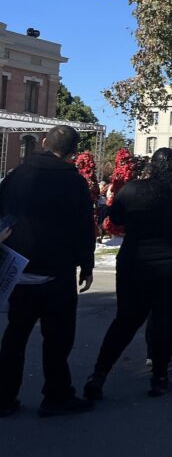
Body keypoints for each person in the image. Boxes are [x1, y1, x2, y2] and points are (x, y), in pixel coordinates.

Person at [84, 148, 172, 400]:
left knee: (125, 321)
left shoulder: (133, 190)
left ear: (151, 166)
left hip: (137, 263)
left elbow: (115, 216)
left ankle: (99, 375)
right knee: (166, 321)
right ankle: (160, 378)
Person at [0, 125, 96, 418]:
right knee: (58, 338)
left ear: (43, 142)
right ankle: (56, 394)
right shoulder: (74, 182)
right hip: (58, 270)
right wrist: (87, 264)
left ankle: (4, 396)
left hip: (19, 266)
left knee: (15, 336)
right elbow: (84, 228)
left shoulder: (15, 176)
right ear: (72, 152)